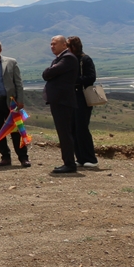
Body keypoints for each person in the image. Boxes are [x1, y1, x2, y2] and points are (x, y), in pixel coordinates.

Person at [42, 35, 80, 174]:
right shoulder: (60, 58)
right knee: (63, 132)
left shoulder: (68, 58)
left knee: (65, 133)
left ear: (64, 45)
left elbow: (48, 73)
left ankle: (69, 164)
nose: (52, 46)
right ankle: (68, 162)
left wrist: (49, 72)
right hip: (60, 101)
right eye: (51, 44)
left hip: (63, 101)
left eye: (55, 44)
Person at [67, 36, 99, 169]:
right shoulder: (70, 60)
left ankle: (90, 158)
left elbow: (91, 77)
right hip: (72, 97)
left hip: (83, 97)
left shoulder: (85, 59)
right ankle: (80, 157)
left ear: (74, 46)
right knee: (73, 128)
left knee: (82, 127)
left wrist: (75, 80)